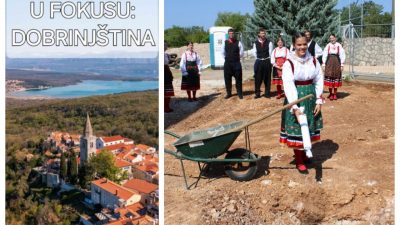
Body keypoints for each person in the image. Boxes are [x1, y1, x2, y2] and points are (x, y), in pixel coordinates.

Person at [279, 32, 324, 174]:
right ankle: (299, 159)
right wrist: (294, 106)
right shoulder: (289, 63)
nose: (302, 47)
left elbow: (318, 79)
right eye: (299, 44)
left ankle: (305, 154)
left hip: (310, 97)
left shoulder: (314, 61)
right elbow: (288, 85)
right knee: (297, 128)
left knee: (308, 126)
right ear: (294, 45)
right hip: (296, 97)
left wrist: (318, 100)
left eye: (304, 44)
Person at [322, 34, 346, 100]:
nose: (332, 39)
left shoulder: (339, 45)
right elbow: (324, 54)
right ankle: (331, 94)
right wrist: (324, 64)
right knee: (329, 77)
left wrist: (342, 65)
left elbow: (342, 55)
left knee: (336, 77)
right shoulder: (328, 45)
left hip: (336, 63)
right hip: (329, 63)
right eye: (330, 38)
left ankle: (335, 94)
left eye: (333, 38)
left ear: (335, 38)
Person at [222, 28, 244, 99]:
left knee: (238, 79)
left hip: (236, 63)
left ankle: (239, 93)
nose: (231, 34)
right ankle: (229, 93)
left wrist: (236, 58)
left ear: (234, 34)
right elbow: (222, 53)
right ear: (228, 34)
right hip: (227, 64)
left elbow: (241, 53)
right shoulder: (224, 42)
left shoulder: (238, 42)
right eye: (230, 33)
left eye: (232, 33)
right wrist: (227, 58)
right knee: (227, 79)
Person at [252, 28, 273, 98]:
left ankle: (267, 93)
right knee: (258, 78)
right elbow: (254, 53)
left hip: (267, 61)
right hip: (259, 61)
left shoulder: (269, 42)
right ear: (259, 34)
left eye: (264, 33)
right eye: (261, 33)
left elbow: (270, 53)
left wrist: (269, 61)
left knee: (267, 78)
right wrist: (259, 59)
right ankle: (257, 93)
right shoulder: (255, 43)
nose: (263, 34)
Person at [164, 42, 174, 113]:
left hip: (167, 72)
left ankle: (167, 107)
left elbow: (168, 63)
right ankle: (165, 108)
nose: (166, 46)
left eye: (166, 45)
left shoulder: (166, 55)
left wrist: (173, 61)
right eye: (164, 45)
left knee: (168, 91)